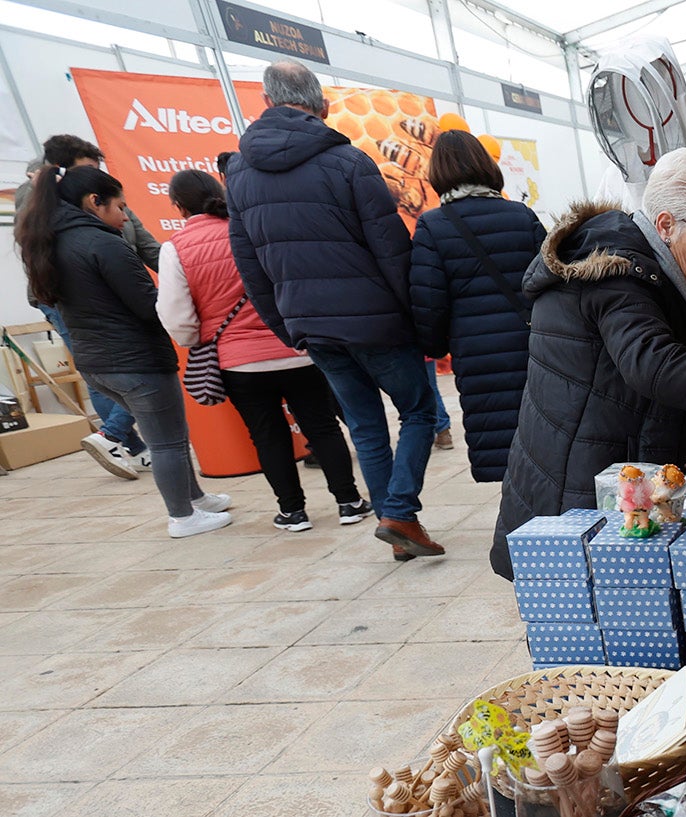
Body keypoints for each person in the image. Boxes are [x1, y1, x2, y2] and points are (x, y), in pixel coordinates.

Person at [492, 148, 686, 578]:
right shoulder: (617, 272)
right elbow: (655, 364)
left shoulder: (647, 263)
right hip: (575, 490)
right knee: (578, 621)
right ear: (667, 225)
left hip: (598, 470)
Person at [224, 59, 442, 561]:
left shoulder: (239, 173)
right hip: (376, 319)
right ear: (323, 105)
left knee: (365, 425)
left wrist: (286, 325)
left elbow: (249, 263)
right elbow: (391, 249)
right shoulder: (347, 161)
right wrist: (416, 317)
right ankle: (400, 513)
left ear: (265, 103)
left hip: (310, 323)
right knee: (418, 410)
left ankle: (399, 531)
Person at [15, 165, 232, 537]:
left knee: (170, 434)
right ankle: (182, 516)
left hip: (97, 362)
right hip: (136, 361)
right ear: (94, 202)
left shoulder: (52, 242)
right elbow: (148, 305)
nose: (125, 216)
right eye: (121, 206)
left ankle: (194, 498)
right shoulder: (104, 244)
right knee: (166, 441)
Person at [155, 169, 373, 534]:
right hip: (295, 347)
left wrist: (200, 339)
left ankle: (293, 512)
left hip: (239, 362)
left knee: (267, 435)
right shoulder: (254, 229)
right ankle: (349, 502)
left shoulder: (175, 249)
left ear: (178, 207)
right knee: (321, 426)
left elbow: (177, 317)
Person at [15, 135, 161, 480]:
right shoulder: (39, 199)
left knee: (118, 370)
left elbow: (145, 243)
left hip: (116, 292)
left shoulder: (109, 203)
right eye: (88, 169)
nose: (94, 178)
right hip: (68, 299)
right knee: (102, 372)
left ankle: (121, 442)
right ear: (61, 170)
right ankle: (116, 439)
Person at [410, 129, 546, 481]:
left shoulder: (432, 226)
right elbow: (552, 280)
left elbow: (428, 300)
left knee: (500, 444)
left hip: (476, 351)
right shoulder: (522, 216)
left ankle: (516, 525)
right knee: (544, 437)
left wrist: (437, 346)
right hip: (532, 345)